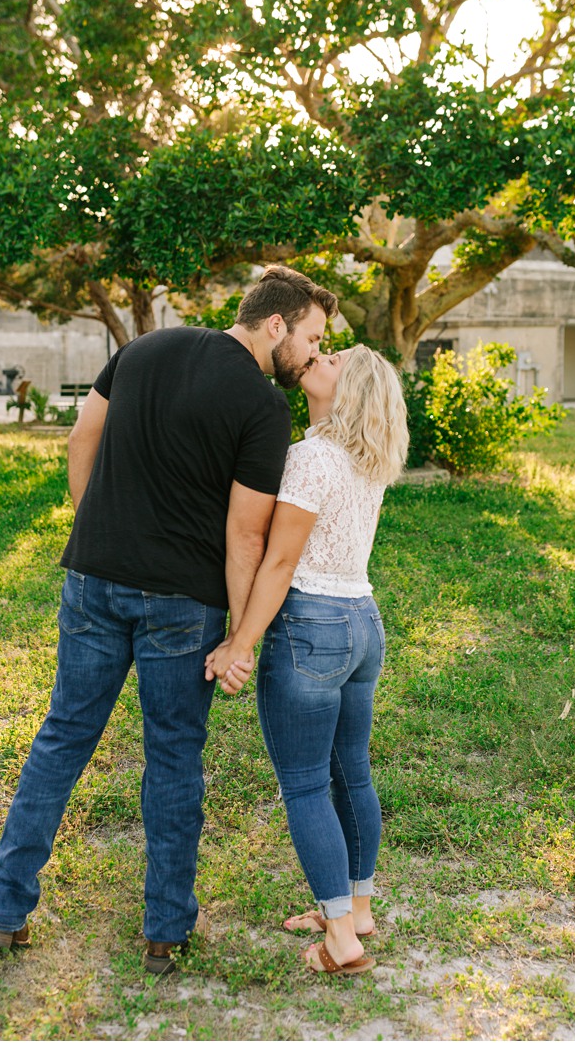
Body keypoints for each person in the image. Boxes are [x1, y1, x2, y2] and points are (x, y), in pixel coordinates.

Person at [0, 265, 337, 977]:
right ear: (276, 326)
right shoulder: (263, 407)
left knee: (61, 740)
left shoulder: (144, 348)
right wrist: (240, 634)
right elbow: (244, 535)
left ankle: (2, 911)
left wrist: (96, 528)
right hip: (182, 604)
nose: (313, 354)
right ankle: (164, 933)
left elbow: (82, 440)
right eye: (313, 337)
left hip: (92, 581)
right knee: (172, 759)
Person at [205, 345, 409, 976]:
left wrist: (240, 642)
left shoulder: (311, 457)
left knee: (305, 784)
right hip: (363, 623)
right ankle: (359, 907)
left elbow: (281, 561)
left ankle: (342, 941)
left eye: (334, 358)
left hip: (313, 626)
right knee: (353, 771)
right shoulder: (368, 458)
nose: (319, 355)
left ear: (351, 390)